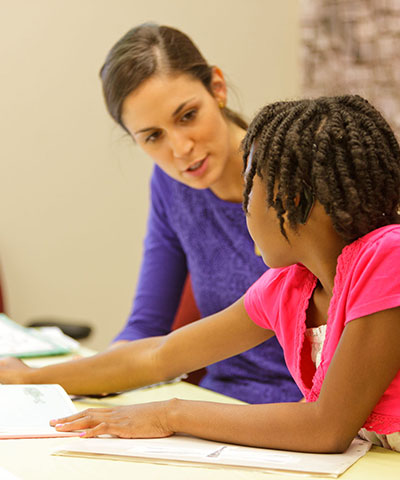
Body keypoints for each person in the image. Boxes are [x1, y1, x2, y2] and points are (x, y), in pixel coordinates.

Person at [50, 95, 400, 453]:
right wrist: (26, 379)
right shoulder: (289, 288)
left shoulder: (388, 255)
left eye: (250, 190)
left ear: (288, 198)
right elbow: (160, 354)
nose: (243, 209)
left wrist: (170, 414)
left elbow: (326, 428)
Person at [0, 23, 301, 404]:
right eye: (153, 136)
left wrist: (43, 377)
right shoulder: (172, 185)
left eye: (188, 115)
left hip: (310, 415)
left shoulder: (294, 173)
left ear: (218, 89)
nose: (180, 148)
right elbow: (146, 328)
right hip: (223, 405)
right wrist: (81, 376)